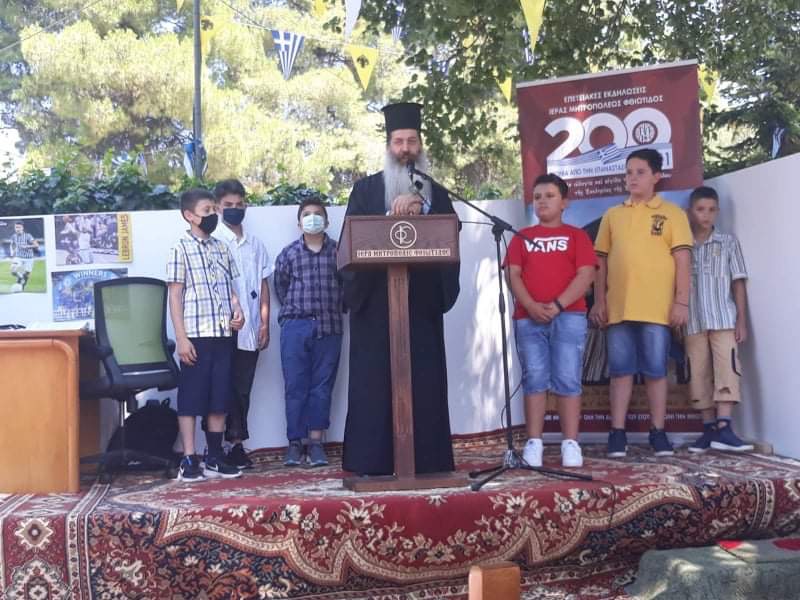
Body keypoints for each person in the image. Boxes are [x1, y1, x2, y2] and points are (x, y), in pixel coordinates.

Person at [340, 102, 461, 476]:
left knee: (423, 382)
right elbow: (350, 244)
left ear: (420, 145)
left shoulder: (436, 193)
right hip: (377, 306)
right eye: (398, 141)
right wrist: (391, 218)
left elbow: (451, 234)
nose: (405, 149)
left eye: (411, 141)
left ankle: (426, 461)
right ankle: (373, 461)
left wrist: (424, 211)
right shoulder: (365, 190)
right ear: (388, 145)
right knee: (375, 385)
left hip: (420, 306)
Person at [590, 148, 692, 458]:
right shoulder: (613, 215)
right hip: (619, 308)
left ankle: (658, 432)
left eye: (640, 172)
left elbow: (683, 260)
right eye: (628, 172)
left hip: (657, 310)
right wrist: (599, 300)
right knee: (620, 371)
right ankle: (617, 432)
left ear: (656, 176)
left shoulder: (673, 214)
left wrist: (681, 302)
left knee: (655, 371)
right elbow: (600, 263)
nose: (632, 178)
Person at [505, 174, 597, 468]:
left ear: (564, 202)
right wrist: (530, 305)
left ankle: (571, 443)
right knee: (534, 377)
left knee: (568, 377)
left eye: (549, 195)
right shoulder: (521, 237)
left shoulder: (577, 236)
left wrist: (558, 305)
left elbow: (586, 274)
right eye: (537, 197)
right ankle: (534, 442)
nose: (542, 201)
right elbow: (512, 274)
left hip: (568, 315)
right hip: (528, 317)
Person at [166, 188, 245, 482]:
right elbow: (175, 296)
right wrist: (181, 338)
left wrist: (237, 309)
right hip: (195, 336)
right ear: (189, 215)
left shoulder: (222, 248)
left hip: (223, 334)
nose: (213, 215)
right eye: (207, 211)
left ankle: (214, 457)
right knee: (191, 398)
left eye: (214, 209)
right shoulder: (179, 248)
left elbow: (231, 290)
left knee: (219, 398)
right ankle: (189, 459)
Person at [273, 197, 344, 467]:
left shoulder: (339, 251)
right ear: (299, 222)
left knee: (322, 387)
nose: (312, 218)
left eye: (317, 214)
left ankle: (316, 443)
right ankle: (295, 443)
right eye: (306, 214)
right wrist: (297, 314)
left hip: (330, 326)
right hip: (295, 327)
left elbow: (347, 286)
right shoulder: (289, 253)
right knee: (295, 386)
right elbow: (281, 286)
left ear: (326, 220)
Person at [684, 186, 753, 453]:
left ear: (718, 212)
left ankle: (725, 427)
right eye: (700, 209)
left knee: (728, 368)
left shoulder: (727, 242)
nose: (706, 215)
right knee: (697, 372)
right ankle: (709, 429)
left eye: (712, 210)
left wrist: (741, 320)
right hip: (692, 320)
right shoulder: (682, 245)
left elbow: (738, 282)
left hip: (723, 318)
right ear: (691, 211)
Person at [212, 179, 272, 469]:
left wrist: (264, 323)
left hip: (250, 329)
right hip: (221, 329)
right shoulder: (213, 241)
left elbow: (263, 284)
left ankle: (237, 445)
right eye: (228, 205)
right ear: (217, 207)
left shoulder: (256, 245)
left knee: (242, 388)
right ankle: (216, 447)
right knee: (220, 387)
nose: (234, 209)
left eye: (239, 204)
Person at [9, 221, 39, 289]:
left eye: (19, 227)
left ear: (22, 228)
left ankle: (22, 286)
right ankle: (20, 277)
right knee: (13, 271)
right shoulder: (13, 236)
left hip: (29, 258)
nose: (17, 229)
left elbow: (36, 245)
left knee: (26, 274)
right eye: (16, 227)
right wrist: (12, 253)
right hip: (18, 257)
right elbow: (12, 245)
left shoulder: (28, 236)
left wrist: (27, 246)